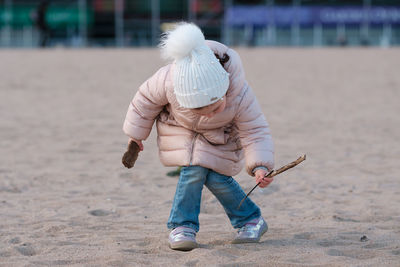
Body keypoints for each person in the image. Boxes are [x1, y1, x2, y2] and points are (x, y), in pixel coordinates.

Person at [122, 22, 274, 251]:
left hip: (221, 138)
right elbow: (144, 103)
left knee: (216, 177)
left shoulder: (239, 93)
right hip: (182, 131)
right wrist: (136, 137)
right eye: (200, 109)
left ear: (224, 89)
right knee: (194, 169)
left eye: (215, 106)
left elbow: (254, 130)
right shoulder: (168, 80)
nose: (210, 113)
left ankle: (244, 220)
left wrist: (260, 166)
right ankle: (189, 226)